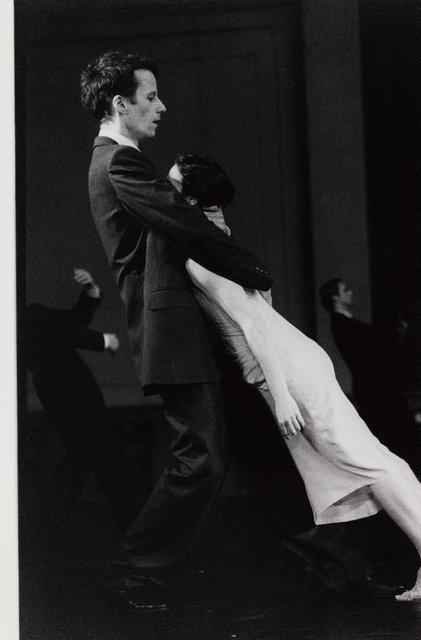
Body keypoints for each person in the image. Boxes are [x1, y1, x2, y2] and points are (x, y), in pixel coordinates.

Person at [168, 154, 421, 601]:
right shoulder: (221, 238)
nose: (161, 189)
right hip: (297, 358)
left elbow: (253, 325)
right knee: (374, 454)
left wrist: (283, 395)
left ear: (190, 198)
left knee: (363, 461)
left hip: (285, 367)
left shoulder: (202, 255)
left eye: (171, 185)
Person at [80, 51, 273, 610]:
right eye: (150, 97)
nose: (161, 107)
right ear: (121, 104)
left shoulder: (118, 161)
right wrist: (254, 270)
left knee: (231, 449)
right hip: (172, 336)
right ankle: (135, 570)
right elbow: (185, 222)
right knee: (203, 457)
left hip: (182, 332)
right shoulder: (120, 164)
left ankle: (327, 554)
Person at [319, 278, 421, 488]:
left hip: (377, 391)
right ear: (335, 297)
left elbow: (376, 343)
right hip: (378, 393)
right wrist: (396, 330)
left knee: (397, 439)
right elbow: (373, 340)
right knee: (401, 438)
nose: (350, 292)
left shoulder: (345, 324)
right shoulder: (343, 324)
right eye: (345, 290)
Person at [25, 268, 120, 511]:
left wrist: (89, 291)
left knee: (85, 452)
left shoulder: (33, 314)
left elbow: (70, 322)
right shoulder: (25, 317)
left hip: (68, 389)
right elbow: (62, 332)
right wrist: (103, 341)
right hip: (66, 391)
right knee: (88, 452)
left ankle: (55, 515)